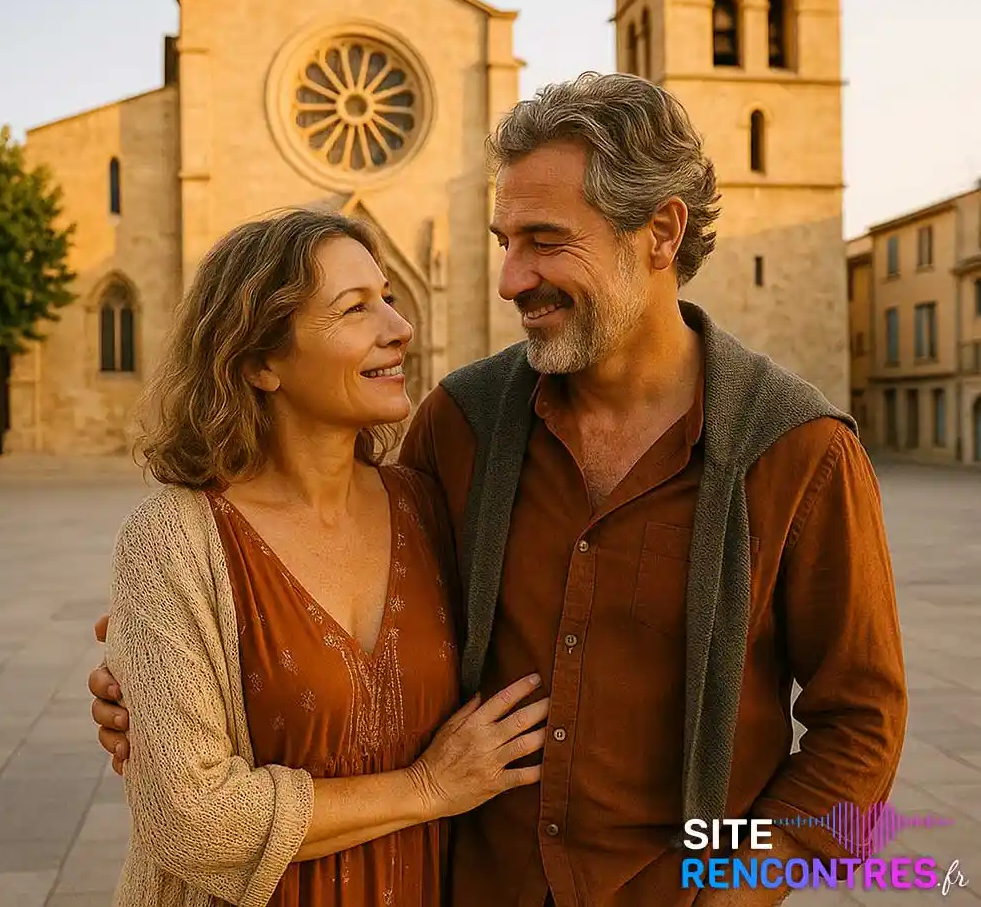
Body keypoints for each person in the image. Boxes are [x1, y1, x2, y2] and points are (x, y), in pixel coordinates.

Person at [90, 73, 908, 906]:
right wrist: (169, 667)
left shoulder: (800, 453)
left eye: (545, 241)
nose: (512, 278)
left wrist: (733, 891)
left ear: (661, 231)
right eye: (503, 240)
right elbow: (335, 594)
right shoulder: (461, 424)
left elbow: (863, 727)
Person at [95, 208, 549, 907]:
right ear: (260, 362)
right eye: (355, 309)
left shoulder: (431, 508)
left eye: (390, 299)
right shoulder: (172, 542)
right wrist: (429, 788)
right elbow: (189, 822)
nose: (399, 329)